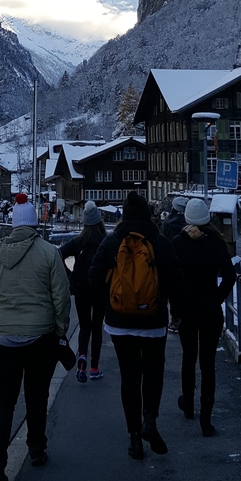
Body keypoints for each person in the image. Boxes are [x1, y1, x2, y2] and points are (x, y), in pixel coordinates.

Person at [0, 192, 71, 481]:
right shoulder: (49, 252)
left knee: (2, 397)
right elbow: (61, 296)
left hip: (2, 339)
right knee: (36, 394)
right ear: (35, 224)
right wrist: (60, 329)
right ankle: (36, 447)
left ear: (13, 225)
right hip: (39, 337)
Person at [89, 191, 184, 460]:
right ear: (147, 214)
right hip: (153, 322)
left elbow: (93, 278)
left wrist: (106, 304)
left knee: (129, 376)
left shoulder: (111, 242)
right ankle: (150, 422)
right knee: (154, 371)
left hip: (120, 324)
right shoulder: (160, 242)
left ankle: (133, 439)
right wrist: (176, 313)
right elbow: (177, 279)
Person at [171, 197, 237, 436]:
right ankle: (206, 420)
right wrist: (217, 299)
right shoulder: (216, 243)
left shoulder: (177, 243)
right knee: (208, 364)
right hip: (210, 311)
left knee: (188, 358)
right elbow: (229, 276)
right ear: (207, 218)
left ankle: (188, 404)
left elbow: (173, 281)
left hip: (187, 310)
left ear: (186, 218)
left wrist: (175, 310)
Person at [60, 200, 107, 382]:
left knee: (84, 326)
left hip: (80, 289)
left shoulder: (77, 242)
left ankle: (81, 361)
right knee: (97, 327)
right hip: (100, 289)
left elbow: (58, 255)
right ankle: (94, 367)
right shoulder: (105, 242)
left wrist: (70, 275)